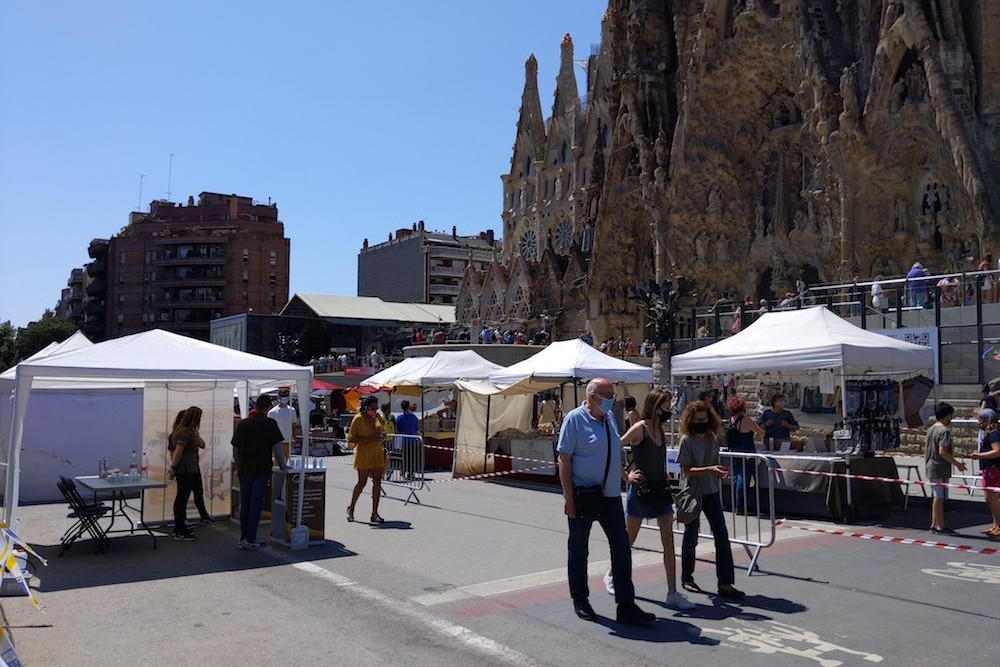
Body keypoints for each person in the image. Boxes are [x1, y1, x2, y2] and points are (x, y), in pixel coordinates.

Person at [556, 378, 655, 625]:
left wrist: (624, 474)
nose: (612, 398)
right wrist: (568, 497)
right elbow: (564, 459)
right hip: (583, 495)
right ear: (592, 396)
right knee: (579, 549)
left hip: (609, 497)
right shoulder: (575, 419)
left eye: (612, 393)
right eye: (607, 393)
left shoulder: (609, 418)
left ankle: (626, 604)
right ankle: (581, 600)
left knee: (621, 548)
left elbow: (612, 452)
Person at [604, 389, 695, 610]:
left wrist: (664, 475)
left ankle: (672, 593)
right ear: (656, 406)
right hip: (641, 490)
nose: (669, 410)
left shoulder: (659, 430)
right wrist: (626, 475)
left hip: (659, 488)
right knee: (629, 539)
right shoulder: (640, 428)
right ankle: (612, 574)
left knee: (669, 540)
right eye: (666, 405)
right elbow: (614, 447)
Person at [677, 400, 745, 600]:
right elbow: (686, 469)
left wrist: (720, 472)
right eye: (698, 420)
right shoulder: (687, 441)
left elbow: (714, 463)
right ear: (691, 421)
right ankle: (687, 577)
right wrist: (709, 470)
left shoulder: (712, 438)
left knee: (722, 536)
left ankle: (725, 583)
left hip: (711, 491)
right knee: (691, 536)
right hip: (693, 492)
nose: (701, 422)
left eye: (704, 419)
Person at [231, 395, 286, 550]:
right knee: (255, 504)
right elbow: (278, 448)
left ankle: (243, 537)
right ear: (268, 407)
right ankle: (251, 538)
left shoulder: (243, 423)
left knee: (245, 503)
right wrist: (283, 466)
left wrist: (239, 463)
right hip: (261, 469)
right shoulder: (270, 424)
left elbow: (235, 448)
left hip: (245, 469)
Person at [167, 406, 213, 541]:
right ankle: (179, 530)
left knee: (182, 498)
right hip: (186, 470)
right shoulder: (185, 433)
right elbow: (177, 452)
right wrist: (173, 468)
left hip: (189, 469)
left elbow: (202, 445)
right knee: (181, 499)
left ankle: (181, 527)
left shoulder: (185, 432)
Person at [925, 402, 966, 534]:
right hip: (939, 467)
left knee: (936, 496)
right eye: (950, 416)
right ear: (947, 416)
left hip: (931, 465)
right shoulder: (944, 432)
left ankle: (934, 523)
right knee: (939, 497)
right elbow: (943, 451)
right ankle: (940, 526)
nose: (951, 419)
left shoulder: (931, 429)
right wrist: (957, 464)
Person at [347, 395, 389, 524]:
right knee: (362, 483)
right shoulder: (358, 419)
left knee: (377, 482)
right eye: (372, 408)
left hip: (377, 453)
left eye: (376, 408)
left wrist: (383, 435)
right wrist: (368, 439)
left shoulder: (377, 417)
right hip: (364, 454)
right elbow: (351, 439)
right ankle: (351, 508)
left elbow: (382, 431)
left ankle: (374, 513)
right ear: (366, 408)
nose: (375, 411)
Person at [726, 395, 764, 513]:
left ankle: (735, 504)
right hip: (747, 453)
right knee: (743, 480)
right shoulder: (746, 421)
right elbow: (760, 432)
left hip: (734, 452)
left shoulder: (730, 421)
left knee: (735, 478)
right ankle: (741, 506)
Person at [971, 409, 1000, 537]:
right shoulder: (990, 433)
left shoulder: (994, 434)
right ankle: (996, 525)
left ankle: (999, 526)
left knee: (991, 498)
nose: (978, 422)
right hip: (989, 470)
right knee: (991, 499)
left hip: (993, 470)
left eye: (980, 419)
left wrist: (979, 455)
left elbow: (997, 451)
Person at [267, 387, 299, 463]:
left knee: (287, 465)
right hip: (277, 443)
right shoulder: (272, 412)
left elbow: (294, 426)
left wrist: (294, 438)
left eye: (286, 396)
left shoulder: (292, 410)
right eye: (283, 396)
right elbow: (269, 430)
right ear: (279, 397)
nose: (285, 398)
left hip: (288, 442)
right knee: (277, 465)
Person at [395, 400, 420, 478]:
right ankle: (410, 472)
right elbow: (416, 428)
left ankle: (405, 470)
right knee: (411, 457)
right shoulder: (414, 417)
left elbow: (398, 429)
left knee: (405, 457)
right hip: (413, 440)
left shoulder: (399, 418)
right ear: (408, 406)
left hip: (404, 441)